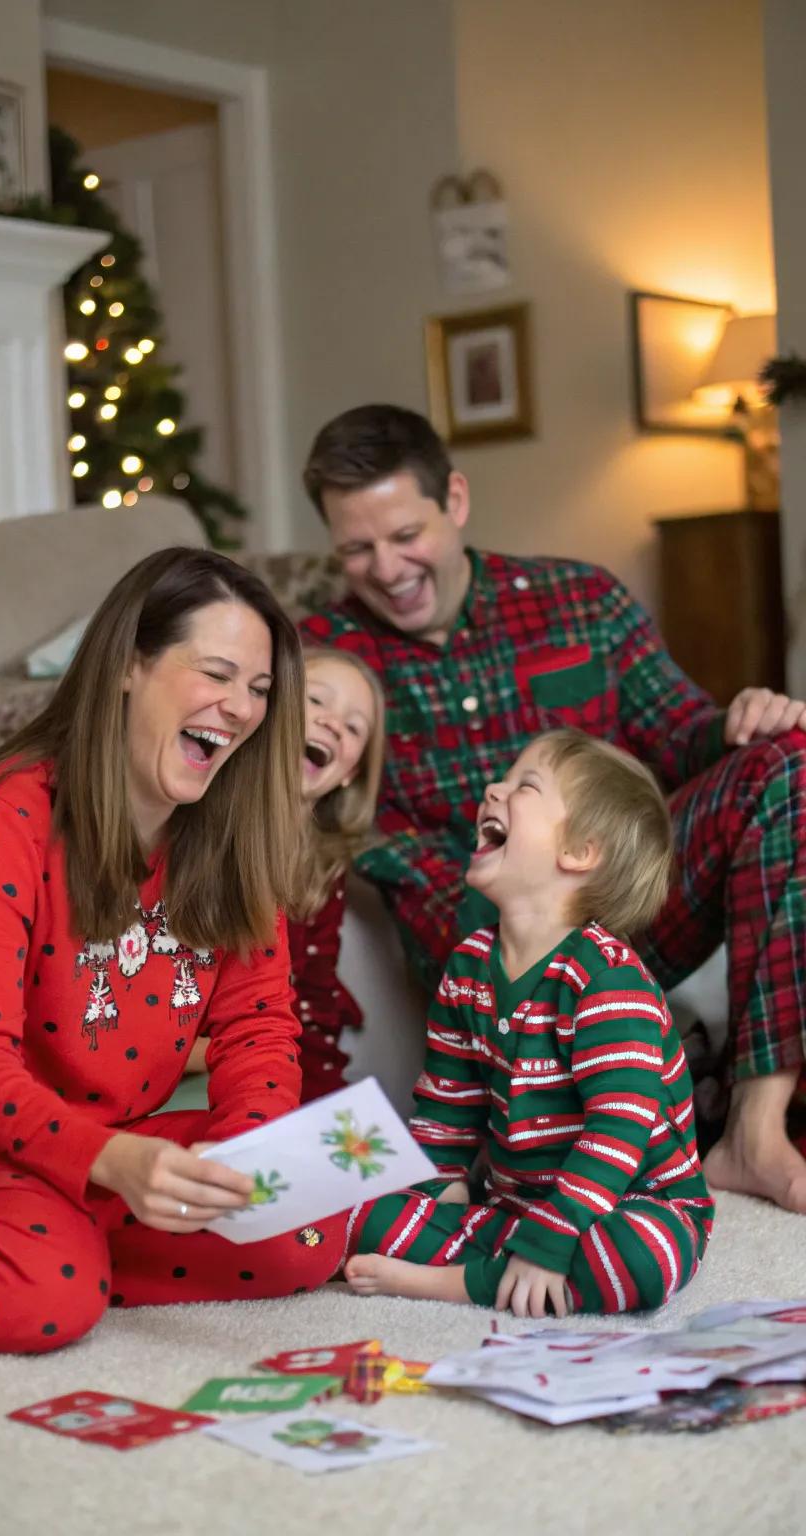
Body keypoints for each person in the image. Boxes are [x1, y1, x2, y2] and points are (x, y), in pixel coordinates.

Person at [0, 548, 345, 1354]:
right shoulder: (1, 815)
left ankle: (51, 1244)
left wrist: (251, 1165)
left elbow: (259, 1028)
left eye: (259, 689)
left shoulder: (230, 835)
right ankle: (12, 1258)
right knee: (48, 1296)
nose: (241, 709)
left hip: (108, 1150)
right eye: (217, 673)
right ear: (128, 666)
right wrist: (110, 1161)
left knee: (310, 1231)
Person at [300, 403, 806, 1215]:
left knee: (787, 761)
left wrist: (740, 723)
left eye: (406, 536)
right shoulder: (328, 667)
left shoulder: (579, 600)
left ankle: (754, 1127)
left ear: (454, 501)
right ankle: (597, 1090)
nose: (387, 568)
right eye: (356, 548)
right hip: (487, 946)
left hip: (626, 902)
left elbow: (682, 736)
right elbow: (329, 815)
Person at [345, 729, 714, 1316]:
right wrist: (439, 1188)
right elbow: (446, 1108)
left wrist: (555, 1235)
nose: (494, 789)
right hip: (515, 1204)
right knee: (368, 1215)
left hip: (634, 1200)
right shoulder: (468, 966)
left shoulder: (607, 980)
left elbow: (618, 1131)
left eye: (524, 786)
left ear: (579, 853)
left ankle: (465, 1283)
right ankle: (513, 1262)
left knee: (638, 1262)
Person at [184, 646, 386, 1100]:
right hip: (169, 1070)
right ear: (264, 709)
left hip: (264, 1068)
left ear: (351, 772)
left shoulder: (321, 869)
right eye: (315, 700)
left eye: (354, 728)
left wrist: (324, 1113)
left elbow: (309, 1015)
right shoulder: (191, 821)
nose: (333, 722)